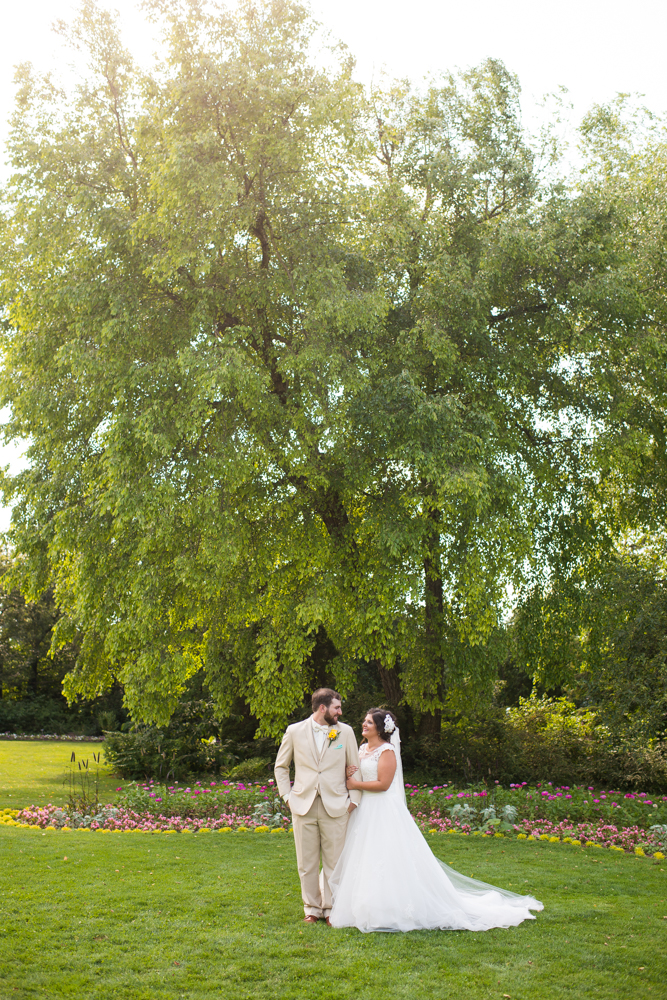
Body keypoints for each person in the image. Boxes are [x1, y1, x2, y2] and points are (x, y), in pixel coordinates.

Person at [328, 708, 544, 933]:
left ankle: (388, 909)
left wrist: (356, 785)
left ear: (381, 728)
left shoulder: (387, 751)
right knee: (364, 857)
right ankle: (363, 906)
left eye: (369, 722)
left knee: (385, 858)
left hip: (381, 810)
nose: (364, 725)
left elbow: (383, 784)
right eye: (364, 721)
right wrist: (349, 775)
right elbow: (357, 773)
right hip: (364, 811)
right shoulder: (362, 748)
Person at [274, 688, 362, 924]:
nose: (340, 712)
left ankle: (332, 909)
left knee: (335, 862)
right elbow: (281, 767)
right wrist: (287, 797)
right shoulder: (294, 731)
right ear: (322, 708)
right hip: (303, 805)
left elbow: (355, 766)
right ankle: (312, 909)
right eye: (336, 708)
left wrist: (353, 801)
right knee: (307, 863)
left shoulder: (346, 732)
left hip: (337, 806)